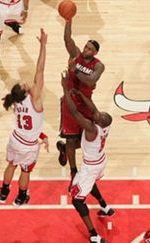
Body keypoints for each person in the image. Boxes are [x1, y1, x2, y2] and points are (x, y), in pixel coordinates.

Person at [61, 71, 113, 243]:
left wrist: (65, 88)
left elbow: (74, 113)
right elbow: (92, 108)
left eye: (98, 116)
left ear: (99, 122)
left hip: (90, 166)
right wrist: (81, 94)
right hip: (99, 161)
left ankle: (94, 235)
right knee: (90, 184)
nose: (96, 114)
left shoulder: (92, 128)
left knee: (77, 200)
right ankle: (104, 206)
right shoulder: (104, 124)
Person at [0, 28, 48, 207]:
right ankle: (20, 196)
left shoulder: (16, 100)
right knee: (25, 171)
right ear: (26, 91)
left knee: (11, 165)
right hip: (27, 146)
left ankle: (4, 191)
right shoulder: (35, 99)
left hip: (15, 139)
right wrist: (43, 46)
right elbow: (40, 70)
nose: (24, 81)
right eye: (23, 83)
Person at [56, 17, 105, 191]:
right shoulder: (75, 55)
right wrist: (68, 21)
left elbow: (91, 81)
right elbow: (68, 40)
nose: (86, 49)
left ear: (95, 53)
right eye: (85, 46)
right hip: (70, 102)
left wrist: (74, 70)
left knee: (87, 139)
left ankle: (63, 149)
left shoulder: (98, 66)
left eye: (90, 49)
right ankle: (73, 172)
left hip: (85, 104)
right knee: (71, 140)